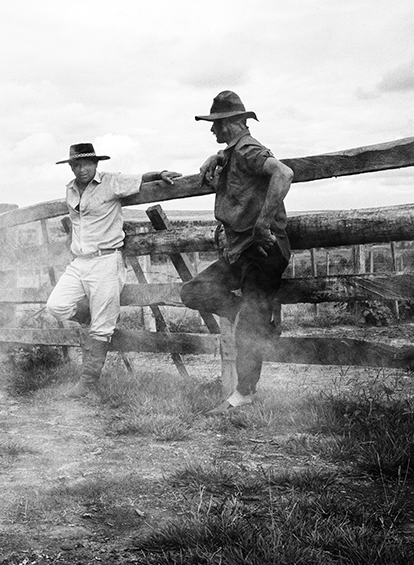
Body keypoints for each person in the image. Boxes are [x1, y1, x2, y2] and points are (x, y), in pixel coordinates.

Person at [180, 91, 293, 413]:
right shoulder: (234, 151)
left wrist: (264, 223)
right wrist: (217, 156)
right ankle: (252, 314)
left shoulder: (248, 149)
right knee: (193, 291)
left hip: (261, 248)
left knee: (248, 327)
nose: (213, 131)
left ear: (231, 124)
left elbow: (283, 173)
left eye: (216, 125)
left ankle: (244, 395)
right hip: (241, 250)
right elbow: (234, 160)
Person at [46, 143, 181, 397]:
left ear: (96, 164)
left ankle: (87, 384)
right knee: (56, 305)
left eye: (87, 163)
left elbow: (141, 179)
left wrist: (160, 174)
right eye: (77, 164)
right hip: (80, 262)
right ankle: (96, 314)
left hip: (106, 261)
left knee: (101, 328)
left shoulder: (111, 183)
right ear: (71, 166)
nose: (82, 168)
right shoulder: (71, 190)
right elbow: (77, 223)